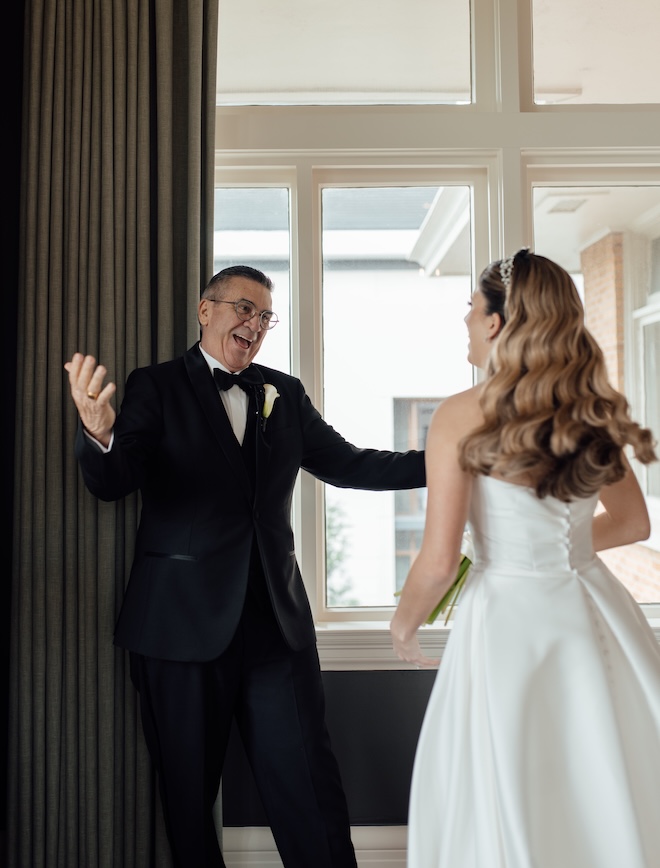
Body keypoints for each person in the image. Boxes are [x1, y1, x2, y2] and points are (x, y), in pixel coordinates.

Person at [65, 264, 426, 868]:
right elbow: (114, 481)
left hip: (274, 630)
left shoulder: (282, 395)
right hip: (177, 631)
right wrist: (97, 432)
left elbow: (352, 463)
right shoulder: (156, 386)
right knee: (188, 807)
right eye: (243, 309)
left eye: (264, 316)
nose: (254, 324)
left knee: (312, 796)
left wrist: (449, 456)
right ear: (206, 311)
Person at [390, 249, 660, 868]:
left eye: (470, 308)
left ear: (494, 322)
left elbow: (436, 561)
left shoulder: (460, 414)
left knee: (512, 774)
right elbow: (633, 521)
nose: (464, 321)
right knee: (603, 773)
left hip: (507, 618)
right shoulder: (590, 407)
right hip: (590, 606)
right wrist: (561, 552)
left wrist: (403, 624)